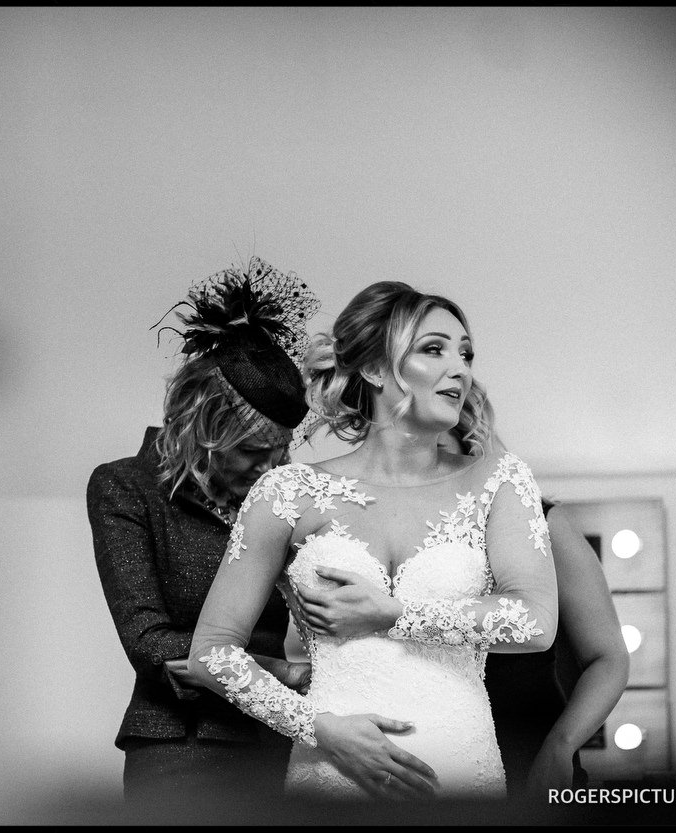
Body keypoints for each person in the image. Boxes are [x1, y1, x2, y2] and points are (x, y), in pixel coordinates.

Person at [188, 280, 559, 802]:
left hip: (459, 774)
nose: (460, 368)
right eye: (434, 349)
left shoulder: (501, 481)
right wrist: (318, 727)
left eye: (466, 353)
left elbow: (535, 623)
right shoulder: (286, 492)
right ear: (376, 368)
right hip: (332, 775)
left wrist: (393, 614)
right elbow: (211, 653)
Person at [89, 257, 437, 808]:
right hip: (183, 749)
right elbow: (150, 643)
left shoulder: (277, 493)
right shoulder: (125, 487)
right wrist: (285, 673)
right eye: (253, 452)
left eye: (279, 453)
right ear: (202, 428)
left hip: (284, 740)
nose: (268, 468)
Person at [293, 427, 629, 799]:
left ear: (470, 457)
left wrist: (561, 746)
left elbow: (608, 658)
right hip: (429, 743)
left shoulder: (543, 523)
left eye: (438, 454)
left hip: (531, 738)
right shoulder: (371, 518)